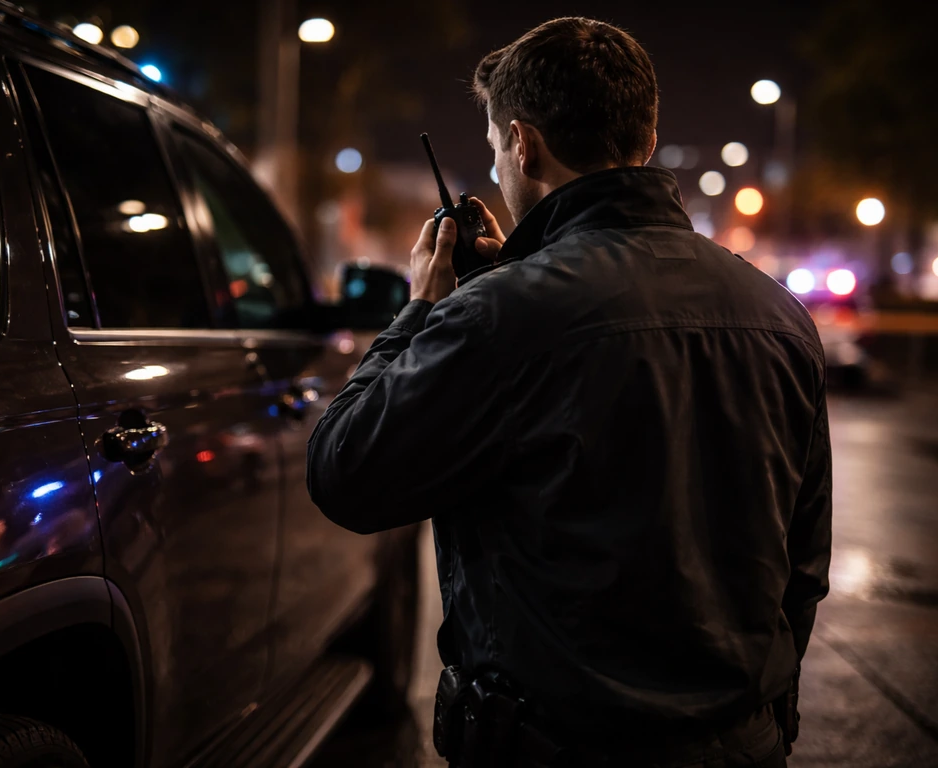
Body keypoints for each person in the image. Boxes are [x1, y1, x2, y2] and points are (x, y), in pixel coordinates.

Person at [307, 16, 831, 768]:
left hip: (554, 745)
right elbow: (804, 561)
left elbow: (345, 473)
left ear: (522, 143)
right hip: (742, 743)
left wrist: (425, 308)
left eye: (495, 151)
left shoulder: (496, 316)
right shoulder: (779, 315)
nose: (498, 170)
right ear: (645, 141)